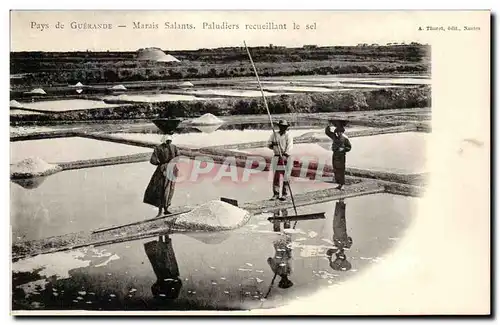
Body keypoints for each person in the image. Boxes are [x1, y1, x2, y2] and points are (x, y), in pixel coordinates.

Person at [143, 134, 180, 217]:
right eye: (168, 141)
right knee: (164, 189)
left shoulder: (162, 148)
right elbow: (153, 160)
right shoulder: (170, 147)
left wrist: (161, 164)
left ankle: (164, 210)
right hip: (167, 170)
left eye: (169, 141)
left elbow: (153, 160)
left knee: (166, 189)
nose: (169, 142)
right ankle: (163, 210)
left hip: (166, 169)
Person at [144, 234, 183, 300]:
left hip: (165, 273)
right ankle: (162, 235)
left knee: (164, 254)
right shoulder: (172, 295)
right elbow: (178, 283)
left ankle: (162, 235)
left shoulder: (171, 295)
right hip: (168, 273)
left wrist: (161, 283)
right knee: (165, 254)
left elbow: (154, 287)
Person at [267, 120, 294, 201]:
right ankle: (276, 194)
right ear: (279, 126)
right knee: (277, 177)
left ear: (286, 127)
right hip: (277, 157)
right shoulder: (274, 135)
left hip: (286, 157)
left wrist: (285, 156)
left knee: (286, 176)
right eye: (281, 126)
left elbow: (290, 147)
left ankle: (285, 194)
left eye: (284, 127)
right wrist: (273, 145)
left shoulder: (288, 136)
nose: (282, 128)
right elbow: (268, 144)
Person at [326, 199, 353, 272]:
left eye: (339, 257)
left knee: (338, 217)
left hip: (338, 230)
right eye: (342, 256)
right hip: (341, 230)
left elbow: (328, 252)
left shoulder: (336, 249)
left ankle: (341, 203)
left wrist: (330, 260)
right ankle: (341, 202)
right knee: (340, 218)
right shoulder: (345, 247)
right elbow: (350, 239)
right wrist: (346, 242)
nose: (341, 255)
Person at [325, 122, 352, 190]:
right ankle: (339, 184)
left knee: (341, 170)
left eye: (340, 132)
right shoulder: (334, 137)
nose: (338, 133)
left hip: (341, 157)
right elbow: (327, 132)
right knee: (336, 170)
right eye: (337, 132)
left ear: (342, 132)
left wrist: (343, 149)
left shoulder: (345, 139)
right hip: (335, 156)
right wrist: (328, 125)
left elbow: (349, 147)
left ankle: (342, 184)